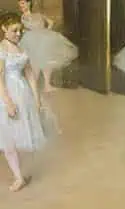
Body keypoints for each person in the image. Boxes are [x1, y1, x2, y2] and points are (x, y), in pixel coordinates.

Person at [0, 12, 46, 192]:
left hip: (22, 93)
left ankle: (19, 173)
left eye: (20, 31)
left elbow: (30, 75)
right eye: (14, 31)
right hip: (6, 94)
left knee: (20, 134)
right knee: (7, 138)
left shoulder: (21, 50)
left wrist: (36, 98)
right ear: (3, 29)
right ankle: (18, 177)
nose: (18, 34)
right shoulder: (1, 51)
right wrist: (8, 102)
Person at [18, 0, 77, 95]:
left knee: (46, 62)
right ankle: (34, 86)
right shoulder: (23, 17)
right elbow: (24, 28)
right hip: (32, 42)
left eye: (23, 3)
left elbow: (51, 22)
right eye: (20, 4)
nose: (21, 6)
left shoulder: (37, 14)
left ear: (29, 3)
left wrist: (46, 31)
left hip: (43, 40)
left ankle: (47, 85)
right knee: (34, 64)